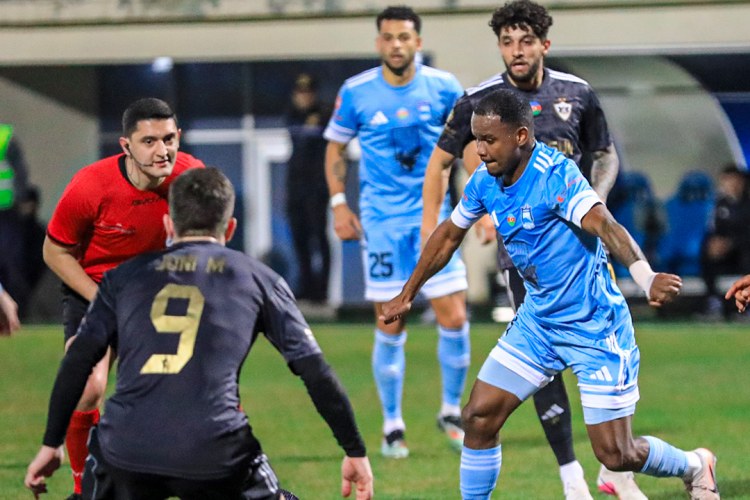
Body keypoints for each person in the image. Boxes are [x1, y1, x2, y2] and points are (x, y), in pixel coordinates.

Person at [382, 89, 719, 500]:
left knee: (616, 454)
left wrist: (645, 276)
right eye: (476, 139)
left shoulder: (555, 176)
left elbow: (605, 224)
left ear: (521, 136)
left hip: (593, 326)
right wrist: (408, 292)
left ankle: (695, 464)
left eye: (489, 140)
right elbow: (450, 234)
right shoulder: (485, 181)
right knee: (478, 417)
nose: (480, 151)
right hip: (539, 323)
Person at [25, 167, 374, 499]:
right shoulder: (258, 278)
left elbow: (78, 360)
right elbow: (315, 372)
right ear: (230, 228)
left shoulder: (123, 277)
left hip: (126, 447)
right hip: (214, 448)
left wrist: (50, 443)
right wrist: (354, 450)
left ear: (168, 224)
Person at [420, 1, 632, 497]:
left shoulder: (576, 93)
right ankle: (570, 474)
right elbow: (443, 161)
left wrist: (594, 203)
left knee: (602, 349)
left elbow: (605, 154)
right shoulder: (479, 100)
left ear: (544, 45)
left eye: (526, 41)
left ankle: (617, 462)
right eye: (507, 42)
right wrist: (453, 219)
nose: (516, 51)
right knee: (540, 361)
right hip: (524, 260)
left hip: (585, 254)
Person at [324, 5, 470, 458]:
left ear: (417, 42)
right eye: (388, 37)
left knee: (455, 317)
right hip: (382, 223)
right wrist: (339, 203)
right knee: (391, 318)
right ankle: (392, 424)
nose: (396, 45)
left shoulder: (444, 88)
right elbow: (335, 149)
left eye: (404, 37)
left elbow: (470, 145)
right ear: (378, 43)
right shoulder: (357, 92)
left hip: (435, 218)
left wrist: (483, 207)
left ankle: (451, 411)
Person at [42, 97, 205, 499]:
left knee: (197, 389)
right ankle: (84, 488)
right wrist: (105, 300)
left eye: (169, 139)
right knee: (88, 387)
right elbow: (54, 251)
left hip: (157, 293)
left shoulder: (191, 179)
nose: (162, 150)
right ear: (126, 146)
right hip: (95, 290)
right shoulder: (91, 186)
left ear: (179, 137)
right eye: (148, 141)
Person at [285, 73, 332, 304]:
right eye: (300, 93)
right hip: (296, 186)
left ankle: (321, 290)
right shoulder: (292, 115)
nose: (303, 98)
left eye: (307, 93)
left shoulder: (324, 114)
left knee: (318, 237)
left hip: (317, 186)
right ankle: (305, 285)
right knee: (299, 238)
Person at [700, 165, 750, 320]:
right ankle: (714, 302)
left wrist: (731, 243)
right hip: (727, 254)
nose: (730, 184)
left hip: (743, 250)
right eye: (726, 181)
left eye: (733, 180)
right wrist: (715, 244)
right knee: (706, 253)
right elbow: (714, 230)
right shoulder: (720, 204)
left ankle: (747, 305)